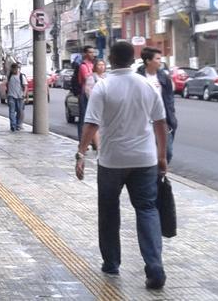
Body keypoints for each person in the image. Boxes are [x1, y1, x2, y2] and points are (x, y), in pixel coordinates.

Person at [75, 40, 169, 291]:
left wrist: (81, 153)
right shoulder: (148, 86)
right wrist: (162, 157)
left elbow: (91, 125)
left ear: (112, 59)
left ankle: (111, 263)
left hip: (112, 161)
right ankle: (154, 266)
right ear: (132, 59)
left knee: (108, 210)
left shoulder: (103, 87)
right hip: (145, 160)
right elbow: (161, 124)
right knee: (147, 209)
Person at [137, 48, 178, 163]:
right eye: (158, 59)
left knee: (167, 152)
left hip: (163, 119)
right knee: (148, 152)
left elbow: (170, 99)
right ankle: (153, 176)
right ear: (148, 61)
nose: (160, 61)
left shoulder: (164, 77)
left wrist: (172, 118)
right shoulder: (138, 77)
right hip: (144, 120)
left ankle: (159, 175)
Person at [75, 45, 96, 141]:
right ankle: (82, 140)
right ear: (85, 53)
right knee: (84, 118)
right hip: (85, 94)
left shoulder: (93, 65)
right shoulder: (83, 65)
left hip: (94, 94)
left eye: (93, 52)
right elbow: (87, 78)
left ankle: (93, 140)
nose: (92, 54)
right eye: (90, 52)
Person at [5, 62, 27, 131]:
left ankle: (18, 124)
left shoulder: (21, 76)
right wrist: (7, 95)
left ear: (17, 69)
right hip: (11, 96)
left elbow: (25, 86)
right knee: (11, 111)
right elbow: (7, 85)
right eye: (13, 69)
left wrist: (24, 94)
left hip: (20, 97)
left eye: (15, 68)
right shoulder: (9, 76)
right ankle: (13, 125)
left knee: (20, 111)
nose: (14, 70)